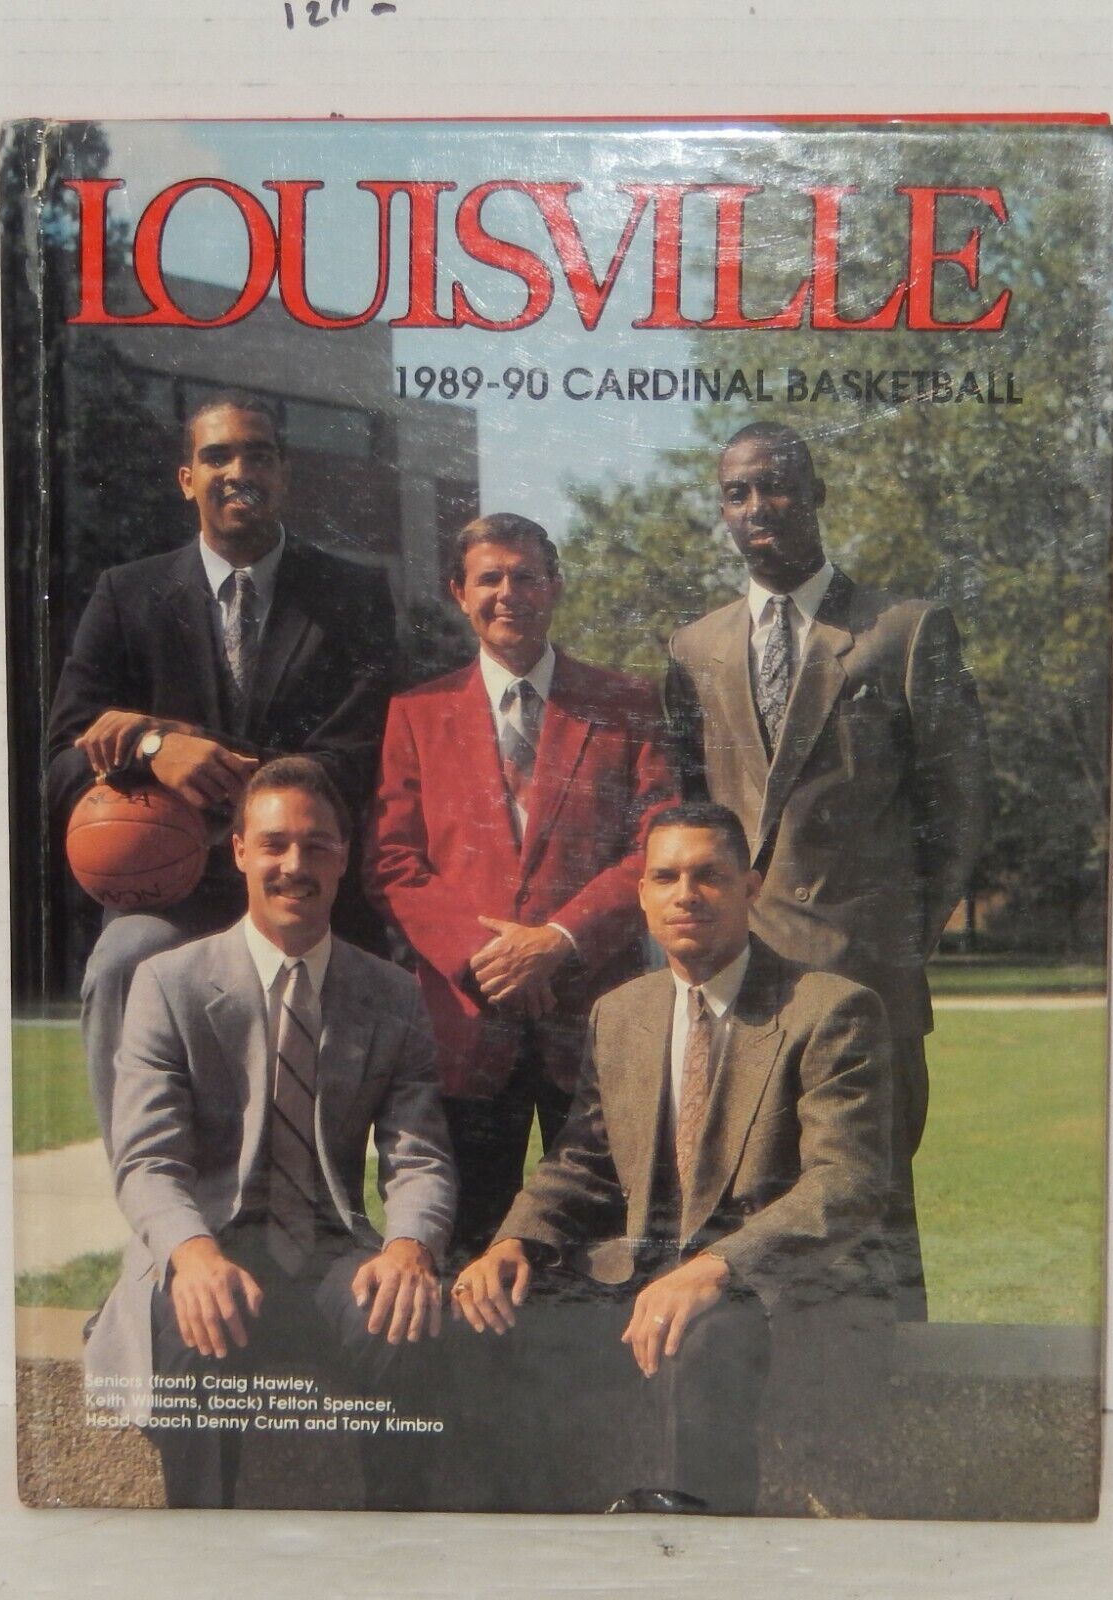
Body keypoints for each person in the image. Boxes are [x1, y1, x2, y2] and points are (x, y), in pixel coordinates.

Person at [451, 803, 892, 1515]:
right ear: (643, 893)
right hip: (632, 1273)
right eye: (665, 877)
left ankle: (691, 1541)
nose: (685, 895)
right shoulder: (621, 1012)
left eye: (708, 876)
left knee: (705, 1338)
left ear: (751, 889)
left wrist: (715, 1268)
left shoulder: (829, 1009)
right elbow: (586, 1159)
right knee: (485, 1314)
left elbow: (845, 1182)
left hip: (758, 1287)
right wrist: (514, 1241)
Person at [665, 423, 990, 1318]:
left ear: (815, 495)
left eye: (775, 485)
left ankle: (883, 1399)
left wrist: (903, 934)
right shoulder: (694, 649)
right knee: (744, 1221)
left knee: (871, 1216)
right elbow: (694, 815)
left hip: (866, 979)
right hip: (741, 983)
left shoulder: (903, 630)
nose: (756, 506)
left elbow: (959, 805)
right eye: (736, 492)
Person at [84, 757, 456, 1509]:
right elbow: (148, 1160)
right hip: (212, 1244)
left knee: (406, 1324)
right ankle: (204, 1550)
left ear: (344, 857)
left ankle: (399, 1551)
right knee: (193, 1333)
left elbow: (419, 1158)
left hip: (329, 1250)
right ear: (239, 852)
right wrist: (192, 1255)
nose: (295, 865)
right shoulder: (169, 982)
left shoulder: (390, 993)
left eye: (317, 846)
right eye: (275, 844)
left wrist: (408, 1249)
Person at [45, 391, 396, 1146]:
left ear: (284, 474)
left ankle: (312, 1201)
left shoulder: (353, 594)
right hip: (170, 890)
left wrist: (180, 745)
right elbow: (62, 764)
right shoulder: (126, 594)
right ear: (187, 479)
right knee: (122, 959)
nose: (239, 471)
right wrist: (151, 752)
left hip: (301, 885)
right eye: (217, 456)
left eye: (258, 455)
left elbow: (350, 761)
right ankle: (148, 1194)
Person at [364, 513, 677, 1259]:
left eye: (527, 576)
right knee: (468, 1248)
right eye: (490, 578)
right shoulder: (416, 714)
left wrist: (558, 942)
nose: (510, 593)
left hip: (594, 1015)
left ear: (555, 587)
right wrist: (487, 960)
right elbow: (393, 861)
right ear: (458, 592)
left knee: (604, 1248)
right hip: (469, 1020)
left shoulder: (626, 703)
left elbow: (656, 846)